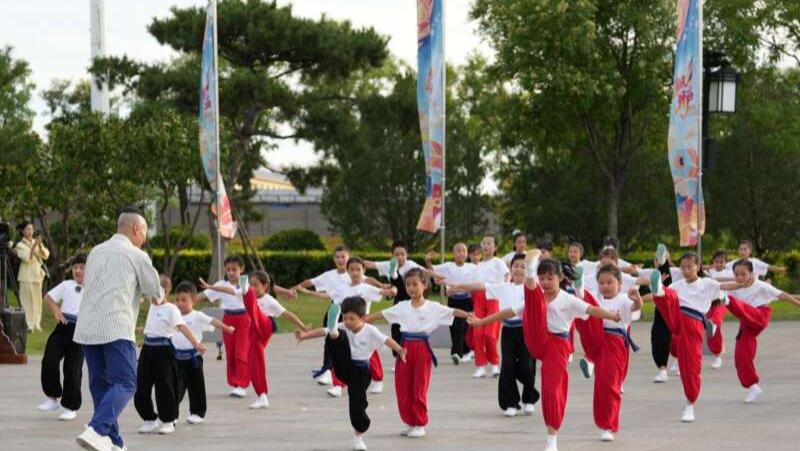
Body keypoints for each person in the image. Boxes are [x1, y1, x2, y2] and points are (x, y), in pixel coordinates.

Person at [469, 254, 622, 451]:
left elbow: (592, 310)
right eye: (541, 278)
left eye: (550, 278)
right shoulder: (537, 298)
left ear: (560, 278)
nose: (546, 282)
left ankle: (552, 437)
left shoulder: (568, 299)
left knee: (552, 389)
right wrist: (481, 321)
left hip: (558, 347)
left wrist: (612, 316)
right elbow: (507, 312)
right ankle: (530, 270)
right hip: (537, 339)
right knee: (534, 300)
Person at [73, 209, 165, 451]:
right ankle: (96, 429)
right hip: (116, 326)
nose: (144, 238)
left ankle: (114, 442)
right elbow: (155, 291)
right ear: (135, 229)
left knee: (100, 386)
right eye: (144, 232)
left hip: (88, 327)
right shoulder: (136, 255)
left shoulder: (95, 251)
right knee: (126, 382)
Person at [366, 268, 470, 438]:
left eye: (415, 284)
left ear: (424, 285)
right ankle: (410, 421)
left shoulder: (433, 307)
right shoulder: (402, 306)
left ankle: (420, 423)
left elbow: (452, 312)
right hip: (404, 348)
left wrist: (469, 315)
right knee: (403, 386)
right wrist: (362, 321)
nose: (411, 288)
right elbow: (381, 314)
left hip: (422, 348)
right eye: (408, 285)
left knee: (419, 387)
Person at [296, 297, 406, 451]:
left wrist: (399, 350)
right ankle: (334, 333)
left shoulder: (370, 330)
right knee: (335, 335)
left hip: (361, 373)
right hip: (344, 365)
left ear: (363, 318)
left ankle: (358, 435)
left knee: (357, 406)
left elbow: (386, 340)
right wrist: (303, 336)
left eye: (351, 319)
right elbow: (322, 331)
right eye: (345, 318)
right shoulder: (343, 327)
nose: (347, 322)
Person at [641, 252, 740, 423]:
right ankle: (659, 289)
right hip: (677, 317)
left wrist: (742, 283)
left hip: (693, 323)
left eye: (689, 267)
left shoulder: (707, 283)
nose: (686, 270)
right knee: (667, 294)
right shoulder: (677, 285)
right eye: (683, 267)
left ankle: (689, 405)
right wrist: (639, 300)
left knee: (691, 368)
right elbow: (660, 297)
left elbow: (726, 286)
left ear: (698, 267)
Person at [447, 253, 538, 417]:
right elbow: (481, 286)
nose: (519, 269)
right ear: (510, 269)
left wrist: (482, 321)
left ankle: (529, 399)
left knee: (526, 367)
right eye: (516, 266)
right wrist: (459, 286)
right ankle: (510, 403)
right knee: (508, 366)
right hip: (508, 331)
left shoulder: (532, 288)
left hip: (527, 331)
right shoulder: (503, 287)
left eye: (523, 267)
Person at [202, 270, 308, 408]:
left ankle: (246, 292)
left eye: (255, 285)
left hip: (265, 325)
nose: (253, 287)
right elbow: (228, 290)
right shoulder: (244, 295)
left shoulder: (269, 300)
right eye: (250, 284)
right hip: (253, 330)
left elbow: (288, 314)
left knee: (253, 308)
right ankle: (262, 396)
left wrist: (302, 326)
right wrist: (211, 287)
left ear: (265, 286)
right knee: (255, 363)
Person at [299, 257, 396, 397]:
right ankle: (338, 385)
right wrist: (308, 292)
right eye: (352, 269)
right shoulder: (342, 288)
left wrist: (393, 289)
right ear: (348, 271)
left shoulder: (367, 288)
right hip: (346, 324)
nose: (355, 272)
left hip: (363, 324)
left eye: (358, 269)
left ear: (363, 270)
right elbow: (328, 295)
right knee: (341, 353)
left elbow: (384, 292)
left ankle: (378, 379)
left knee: (369, 354)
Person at [135, 276, 207, 435]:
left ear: (166, 291)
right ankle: (149, 418)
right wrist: (144, 342)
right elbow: (151, 327)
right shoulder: (152, 306)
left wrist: (196, 343)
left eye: (155, 292)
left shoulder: (171, 309)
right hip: (148, 349)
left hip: (164, 350)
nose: (152, 297)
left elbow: (182, 327)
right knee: (141, 386)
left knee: (165, 386)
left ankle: (167, 420)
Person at [579, 264, 642, 442]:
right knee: (582, 307)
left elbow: (635, 307)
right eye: (601, 282)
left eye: (609, 282)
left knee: (608, 385)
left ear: (619, 284)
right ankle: (590, 358)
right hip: (596, 338)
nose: (605, 286)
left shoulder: (623, 299)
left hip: (614, 343)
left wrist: (637, 299)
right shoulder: (595, 298)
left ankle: (607, 425)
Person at [725, 260, 800, 403]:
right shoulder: (732, 287)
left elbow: (784, 295)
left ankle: (727, 301)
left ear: (751, 274)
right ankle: (753, 387)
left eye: (743, 274)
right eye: (736, 274)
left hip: (760, 316)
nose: (739, 277)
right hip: (746, 322)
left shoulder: (761, 286)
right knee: (741, 357)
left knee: (728, 300)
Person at [171, 281, 233, 424]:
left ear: (193, 300)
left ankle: (197, 413)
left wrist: (226, 328)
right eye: (177, 300)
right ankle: (171, 414)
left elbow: (213, 321)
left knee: (196, 386)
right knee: (175, 387)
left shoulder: (197, 316)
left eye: (184, 300)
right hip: (176, 358)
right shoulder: (174, 317)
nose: (180, 303)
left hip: (193, 358)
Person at [37, 254, 87, 421]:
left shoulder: (94, 289)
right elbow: (48, 297)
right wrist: (57, 311)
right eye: (75, 267)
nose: (77, 270)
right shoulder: (66, 285)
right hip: (63, 327)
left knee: (72, 369)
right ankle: (52, 397)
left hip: (80, 331)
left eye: (82, 267)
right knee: (49, 359)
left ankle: (70, 407)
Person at [364, 241, 423, 352]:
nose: (399, 257)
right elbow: (371, 264)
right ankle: (398, 353)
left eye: (402, 254)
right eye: (396, 255)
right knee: (396, 327)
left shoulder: (412, 265)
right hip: (399, 298)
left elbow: (427, 272)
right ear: (392, 256)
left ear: (407, 255)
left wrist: (438, 276)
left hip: (411, 298)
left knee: (409, 328)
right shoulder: (389, 264)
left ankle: (394, 276)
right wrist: (350, 262)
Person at [425, 242, 477, 364]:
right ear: (453, 253)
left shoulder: (472, 267)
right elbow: (432, 270)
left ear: (467, 254)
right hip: (453, 300)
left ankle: (457, 353)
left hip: (467, 300)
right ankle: (464, 351)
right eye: (458, 251)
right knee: (454, 326)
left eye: (464, 251)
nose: (461, 253)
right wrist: (427, 260)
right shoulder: (448, 266)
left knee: (462, 326)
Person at [469, 235, 508, 378]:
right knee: (478, 333)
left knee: (490, 334)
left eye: (489, 243)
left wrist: (504, 289)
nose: (486, 246)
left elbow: (507, 275)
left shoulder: (498, 262)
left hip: (494, 297)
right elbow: (472, 284)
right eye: (484, 243)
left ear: (495, 247)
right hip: (479, 298)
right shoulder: (478, 266)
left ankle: (495, 365)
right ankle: (481, 366)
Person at [14, 220, 50, 332]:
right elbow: (27, 259)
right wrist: (34, 246)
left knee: (37, 300)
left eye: (32, 229)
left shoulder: (36, 242)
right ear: (23, 231)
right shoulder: (20, 245)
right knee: (26, 300)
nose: (30, 232)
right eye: (28, 229)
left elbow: (46, 256)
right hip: (26, 275)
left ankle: (36, 323)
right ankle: (28, 324)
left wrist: (40, 246)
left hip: (37, 275)